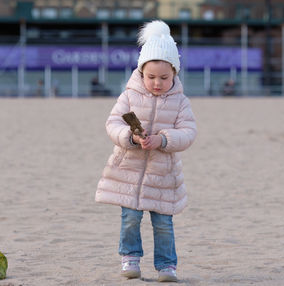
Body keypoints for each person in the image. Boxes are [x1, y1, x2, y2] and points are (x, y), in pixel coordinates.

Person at [95, 20, 197, 282]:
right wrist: (130, 137)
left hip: (162, 173)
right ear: (141, 72)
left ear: (174, 73)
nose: (157, 83)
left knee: (163, 224)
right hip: (130, 169)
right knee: (130, 218)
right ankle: (130, 257)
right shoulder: (129, 95)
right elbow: (112, 123)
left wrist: (163, 140)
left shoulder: (180, 101)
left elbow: (188, 132)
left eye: (164, 78)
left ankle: (166, 266)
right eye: (151, 77)